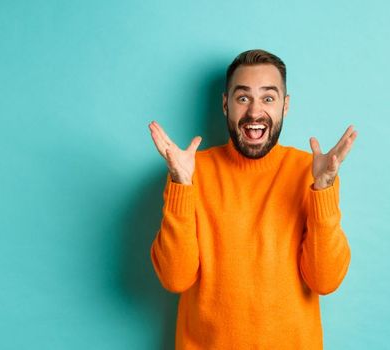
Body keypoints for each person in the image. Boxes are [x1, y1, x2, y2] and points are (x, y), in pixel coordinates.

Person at [148, 49, 357, 349]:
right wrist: (182, 183)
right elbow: (174, 278)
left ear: (285, 106)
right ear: (225, 104)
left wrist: (323, 188)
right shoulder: (191, 171)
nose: (255, 112)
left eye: (268, 98)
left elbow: (324, 281)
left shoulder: (310, 173)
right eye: (243, 98)